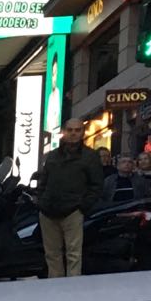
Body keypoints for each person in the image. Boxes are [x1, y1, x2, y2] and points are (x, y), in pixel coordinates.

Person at [35, 118, 105, 278]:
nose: (73, 133)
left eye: (77, 130)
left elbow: (96, 185)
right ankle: (56, 291)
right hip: (48, 210)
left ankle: (71, 293)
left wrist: (82, 207)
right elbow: (44, 180)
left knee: (74, 255)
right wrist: (40, 200)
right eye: (70, 130)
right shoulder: (53, 155)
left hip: (73, 211)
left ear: (83, 133)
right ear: (64, 132)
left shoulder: (90, 156)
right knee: (52, 255)